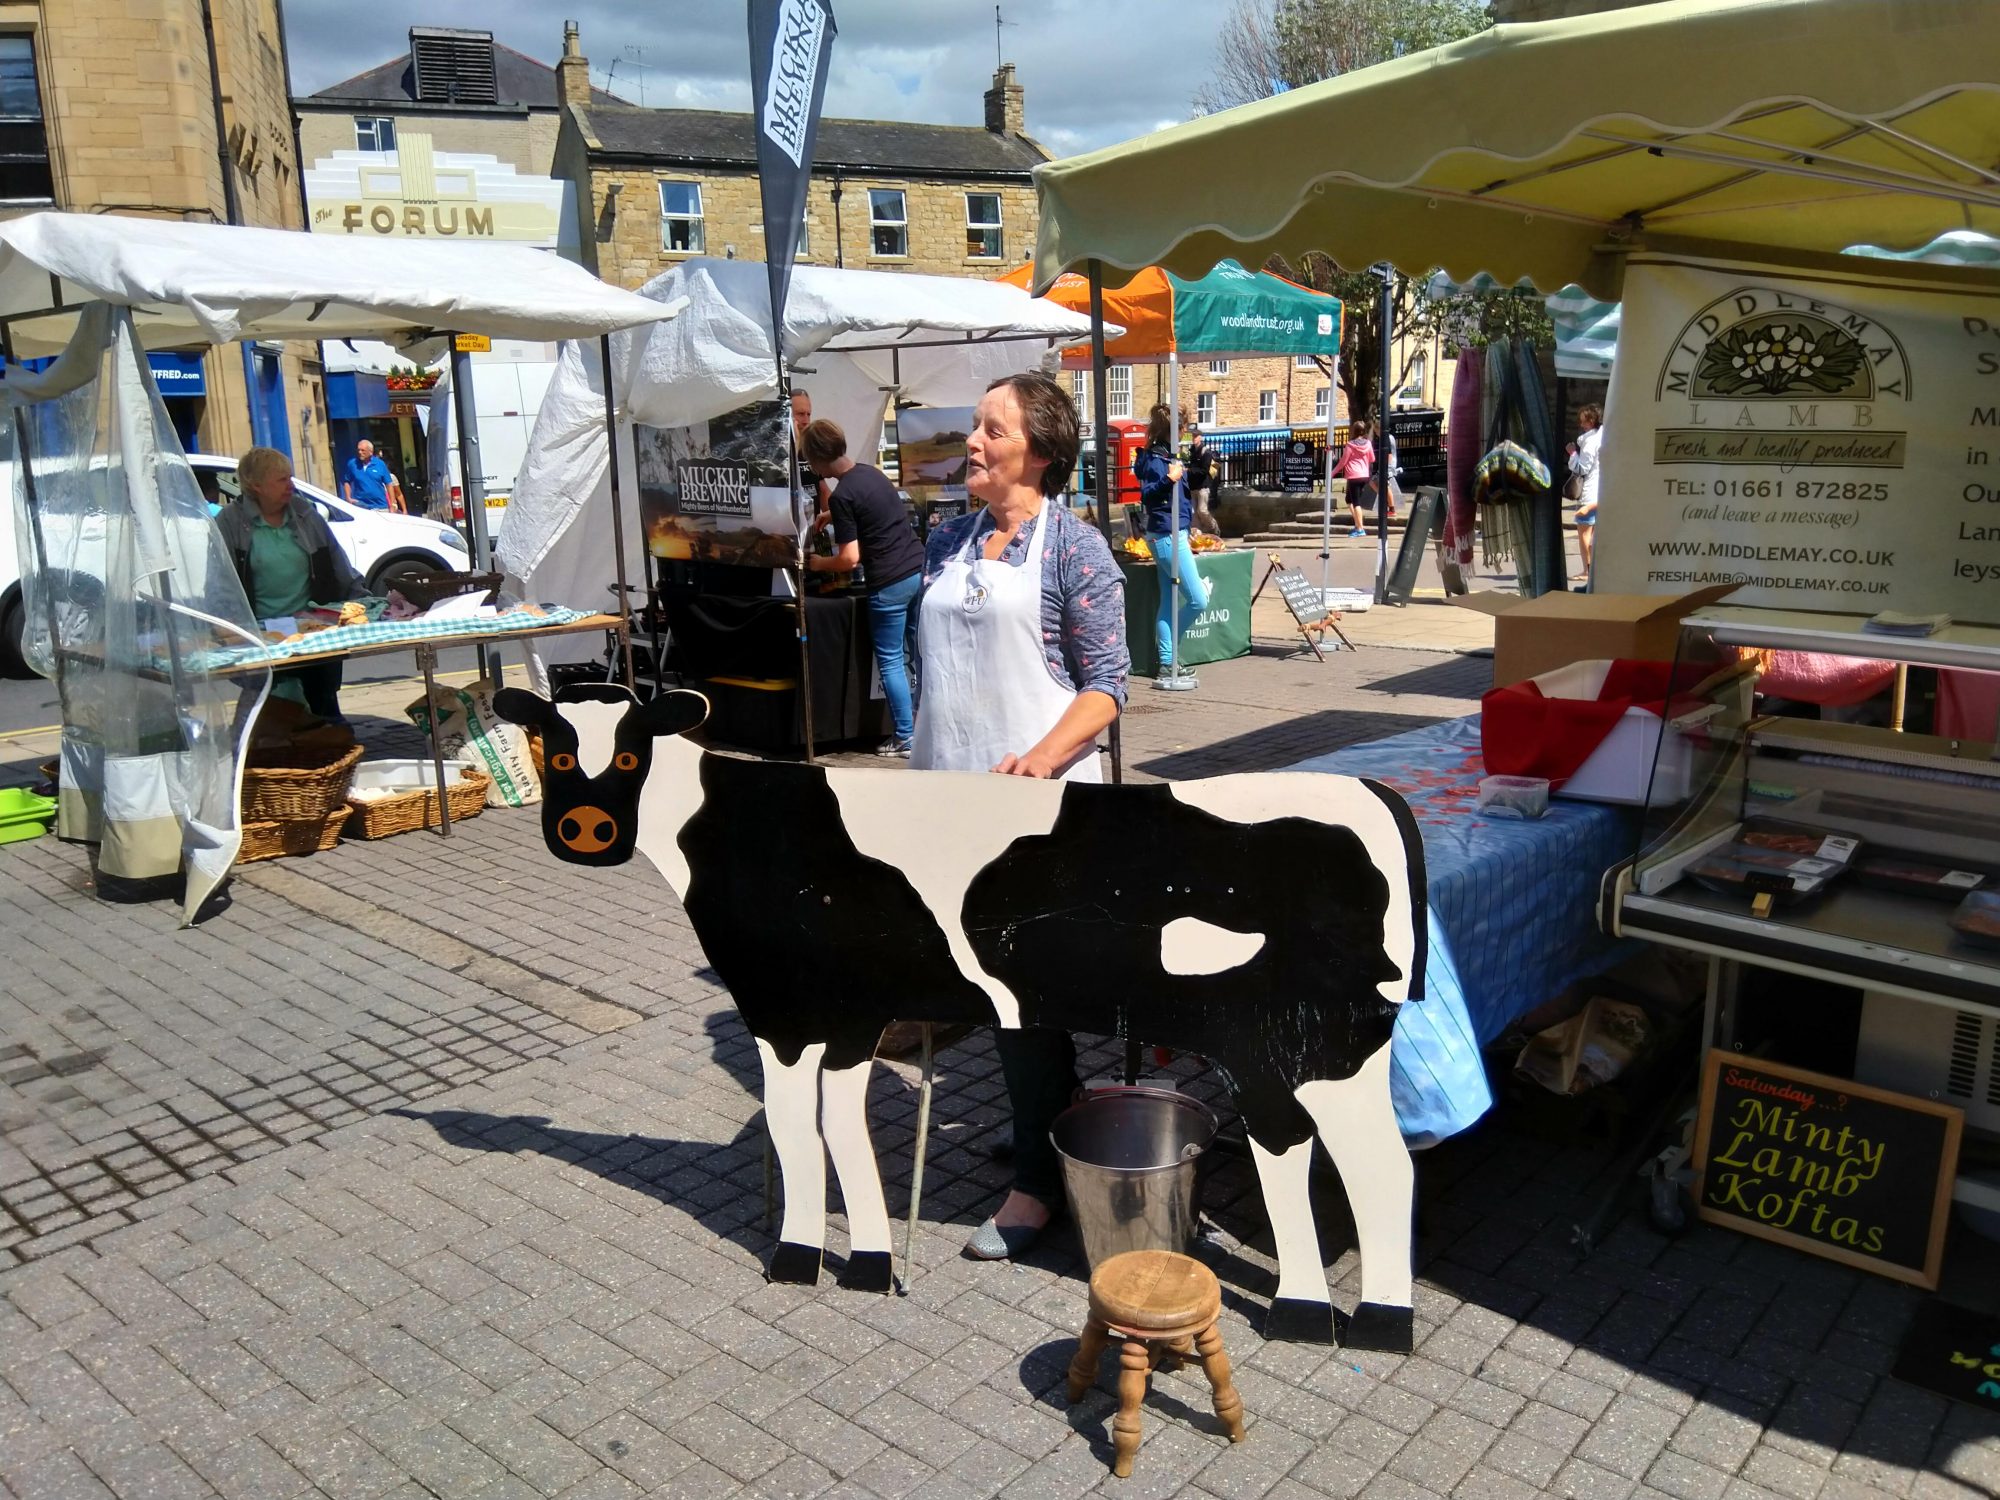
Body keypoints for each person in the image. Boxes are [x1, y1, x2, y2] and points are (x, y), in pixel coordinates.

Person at [912, 372, 1127, 1260]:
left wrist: (1041, 758)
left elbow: (1107, 684)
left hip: (1037, 809)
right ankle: (1044, 1115)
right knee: (983, 980)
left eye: (990, 430)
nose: (971, 442)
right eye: (974, 426)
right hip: (950, 793)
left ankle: (1038, 1185)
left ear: (1036, 452)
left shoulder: (1076, 551)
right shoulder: (946, 540)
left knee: (1020, 987)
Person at [801, 418, 925, 756]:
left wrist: (817, 564)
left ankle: (905, 738)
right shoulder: (870, 473)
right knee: (919, 654)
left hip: (888, 582)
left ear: (816, 460)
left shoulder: (843, 496)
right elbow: (874, 516)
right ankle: (925, 729)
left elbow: (849, 559)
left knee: (891, 661)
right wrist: (833, 515)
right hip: (917, 568)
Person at [216, 447, 365, 723]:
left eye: (290, 477)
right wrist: (227, 628)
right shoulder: (230, 521)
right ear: (256, 485)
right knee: (277, 713)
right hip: (263, 635)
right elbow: (220, 581)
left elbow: (336, 563)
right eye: (282, 480)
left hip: (313, 629)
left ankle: (331, 755)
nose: (291, 485)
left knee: (325, 710)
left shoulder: (304, 512)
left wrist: (365, 601)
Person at [1132, 404, 1208, 680]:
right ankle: (1171, 653)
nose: (1186, 431)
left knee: (1168, 601)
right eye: (1183, 427)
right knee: (1199, 600)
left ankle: (1167, 663)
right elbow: (1147, 494)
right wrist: (1169, 478)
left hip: (1172, 534)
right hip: (1167, 537)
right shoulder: (1156, 459)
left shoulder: (1167, 455)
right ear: (1173, 429)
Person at [1567, 404, 1603, 583]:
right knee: (1594, 533)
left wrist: (1572, 454)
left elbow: (1582, 468)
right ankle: (1594, 569)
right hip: (1601, 491)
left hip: (1589, 493)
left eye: (1584, 422)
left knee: (1584, 533)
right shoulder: (1603, 436)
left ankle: (1587, 570)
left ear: (1591, 421)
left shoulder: (1589, 442)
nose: (1581, 425)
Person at [790, 387, 830, 533]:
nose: (806, 420)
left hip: (813, 528)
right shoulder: (778, 450)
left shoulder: (811, 447)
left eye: (809, 414)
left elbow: (823, 489)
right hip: (791, 529)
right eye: (800, 414)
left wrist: (838, 516)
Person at [1340, 414, 1379, 536]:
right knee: (1349, 500)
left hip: (1354, 476)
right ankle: (1357, 524)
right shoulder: (1367, 444)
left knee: (1356, 503)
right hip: (1363, 475)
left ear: (1354, 430)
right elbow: (1372, 459)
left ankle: (1360, 528)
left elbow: (1344, 461)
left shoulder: (1350, 444)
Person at [340, 438, 403, 514]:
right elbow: (347, 481)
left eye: (363, 450)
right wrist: (348, 498)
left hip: (381, 507)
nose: (360, 452)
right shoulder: (352, 464)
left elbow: (389, 484)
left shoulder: (380, 464)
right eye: (358, 450)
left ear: (370, 452)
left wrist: (393, 504)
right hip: (361, 507)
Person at [1185, 426, 1218, 535]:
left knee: (1202, 511)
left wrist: (1189, 470)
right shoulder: (1192, 452)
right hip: (1193, 486)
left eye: (1196, 436)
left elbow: (1204, 471)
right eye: (1192, 436)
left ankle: (1213, 527)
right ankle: (1198, 535)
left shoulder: (1206, 453)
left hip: (1203, 487)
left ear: (1200, 438)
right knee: (1194, 513)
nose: (1193, 438)